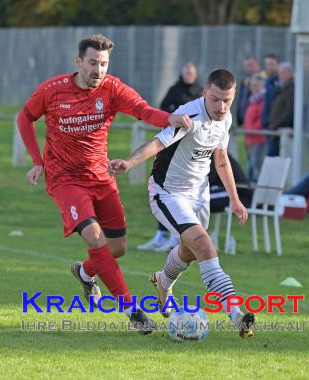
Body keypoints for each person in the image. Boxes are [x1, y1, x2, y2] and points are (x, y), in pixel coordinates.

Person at [16, 34, 193, 335]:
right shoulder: (53, 90)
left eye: (104, 63)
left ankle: (85, 273)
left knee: (117, 247)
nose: (99, 69)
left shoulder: (112, 89)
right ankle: (132, 311)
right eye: (93, 63)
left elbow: (143, 110)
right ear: (78, 62)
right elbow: (24, 117)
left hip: (100, 177)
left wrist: (170, 118)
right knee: (95, 238)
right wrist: (37, 161)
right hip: (65, 180)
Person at [109, 69, 255, 339]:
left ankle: (163, 281)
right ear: (204, 94)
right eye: (215, 99)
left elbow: (220, 159)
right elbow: (156, 143)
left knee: (188, 252)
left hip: (199, 195)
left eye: (227, 100)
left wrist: (235, 200)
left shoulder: (226, 118)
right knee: (204, 245)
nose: (221, 107)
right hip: (168, 193)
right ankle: (236, 314)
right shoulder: (189, 116)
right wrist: (129, 162)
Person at [138, 62, 204, 252]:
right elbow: (165, 110)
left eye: (192, 72)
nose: (189, 74)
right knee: (165, 192)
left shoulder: (200, 93)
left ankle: (178, 238)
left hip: (191, 151)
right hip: (173, 146)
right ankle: (162, 236)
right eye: (186, 71)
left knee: (182, 196)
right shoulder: (175, 90)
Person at [267, 62, 295, 156]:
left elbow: (289, 111)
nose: (280, 75)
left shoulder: (292, 89)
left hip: (282, 131)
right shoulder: (280, 89)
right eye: (279, 73)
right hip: (275, 130)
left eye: (283, 72)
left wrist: (278, 125)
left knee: (274, 157)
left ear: (291, 73)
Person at [243, 73, 267, 182]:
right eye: (252, 86)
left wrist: (252, 129)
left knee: (257, 165)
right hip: (250, 138)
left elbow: (262, 118)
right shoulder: (253, 100)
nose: (254, 88)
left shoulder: (262, 100)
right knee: (252, 164)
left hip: (258, 138)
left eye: (256, 86)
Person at [236, 56, 261, 126]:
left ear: (257, 64)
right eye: (246, 66)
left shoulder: (263, 79)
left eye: (251, 65)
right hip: (243, 121)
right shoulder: (245, 81)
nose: (248, 68)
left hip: (255, 123)